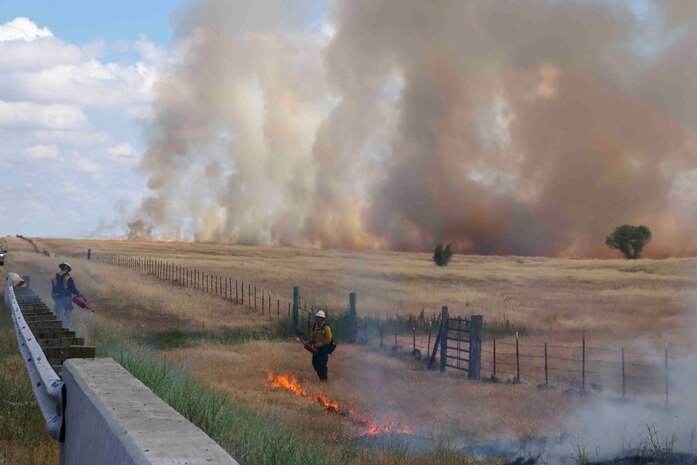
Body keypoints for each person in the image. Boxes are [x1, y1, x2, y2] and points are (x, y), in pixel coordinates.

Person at [309, 310, 334, 382]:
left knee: (322, 364)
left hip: (324, 348)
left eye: (319, 318)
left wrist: (321, 344)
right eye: (316, 317)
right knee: (315, 363)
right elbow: (312, 335)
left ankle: (324, 379)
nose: (317, 319)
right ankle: (321, 377)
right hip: (316, 348)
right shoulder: (315, 326)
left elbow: (328, 339)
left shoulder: (326, 328)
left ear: (323, 319)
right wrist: (311, 341)